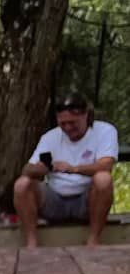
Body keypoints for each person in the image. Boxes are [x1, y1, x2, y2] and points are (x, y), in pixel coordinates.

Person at [13, 94, 118, 248]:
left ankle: (94, 239)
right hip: (54, 201)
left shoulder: (104, 131)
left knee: (103, 179)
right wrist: (40, 169)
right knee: (22, 184)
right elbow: (26, 169)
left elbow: (106, 165)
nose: (68, 128)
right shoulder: (50, 137)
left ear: (86, 116)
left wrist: (73, 169)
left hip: (87, 201)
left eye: (72, 123)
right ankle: (31, 242)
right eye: (63, 123)